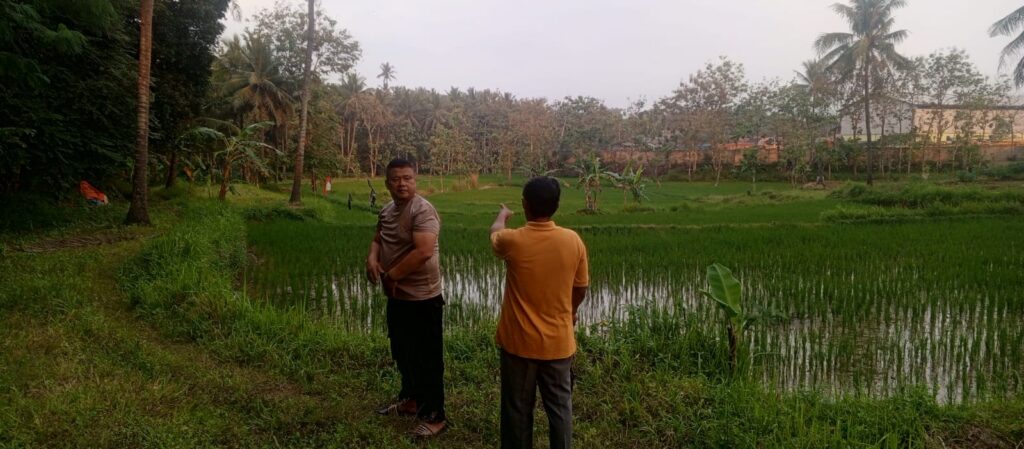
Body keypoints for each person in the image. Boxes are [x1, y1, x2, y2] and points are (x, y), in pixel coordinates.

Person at [489, 176, 589, 449]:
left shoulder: (513, 240)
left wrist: (503, 215)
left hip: (518, 344)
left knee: (517, 410)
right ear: (556, 205)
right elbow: (581, 287)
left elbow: (495, 233)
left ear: (525, 205)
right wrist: (570, 313)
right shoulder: (572, 240)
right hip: (558, 344)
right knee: (560, 409)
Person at [365, 158, 447, 437]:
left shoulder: (422, 210)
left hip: (423, 298)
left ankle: (435, 415)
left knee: (428, 358)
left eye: (407, 178)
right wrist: (372, 259)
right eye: (396, 179)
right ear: (387, 183)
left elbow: (424, 251)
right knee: (402, 352)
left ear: (415, 180)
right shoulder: (387, 210)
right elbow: (378, 239)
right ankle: (411, 400)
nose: (402, 184)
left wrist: (390, 277)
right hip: (398, 297)